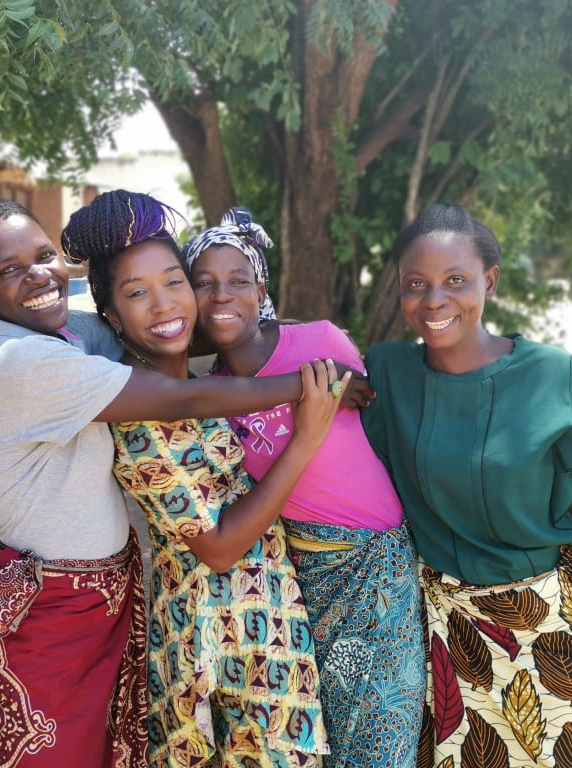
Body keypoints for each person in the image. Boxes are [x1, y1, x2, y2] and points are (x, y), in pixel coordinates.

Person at [0, 198, 341, 768]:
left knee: (109, 749)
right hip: (49, 600)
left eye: (43, 255)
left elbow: (176, 329)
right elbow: (182, 397)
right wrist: (309, 390)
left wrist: (285, 332)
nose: (37, 275)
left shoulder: (72, 330)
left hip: (111, 593)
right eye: (10, 270)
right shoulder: (16, 360)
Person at [359, 203, 572, 768]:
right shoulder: (388, 374)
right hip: (447, 636)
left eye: (455, 280)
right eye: (416, 284)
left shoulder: (554, 376)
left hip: (557, 630)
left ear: (490, 280)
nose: (434, 300)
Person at [61, 190, 346, 768]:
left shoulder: (203, 382)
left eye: (173, 282)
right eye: (137, 293)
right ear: (113, 317)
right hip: (221, 639)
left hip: (264, 617)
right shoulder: (138, 426)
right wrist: (308, 436)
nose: (164, 304)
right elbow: (217, 548)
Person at [182, 208, 426, 768]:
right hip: (294, 583)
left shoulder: (320, 342)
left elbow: (380, 432)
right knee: (316, 746)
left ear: (261, 288)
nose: (222, 295)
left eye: (238, 280)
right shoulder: (210, 397)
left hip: (376, 570)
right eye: (204, 282)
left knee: (379, 744)